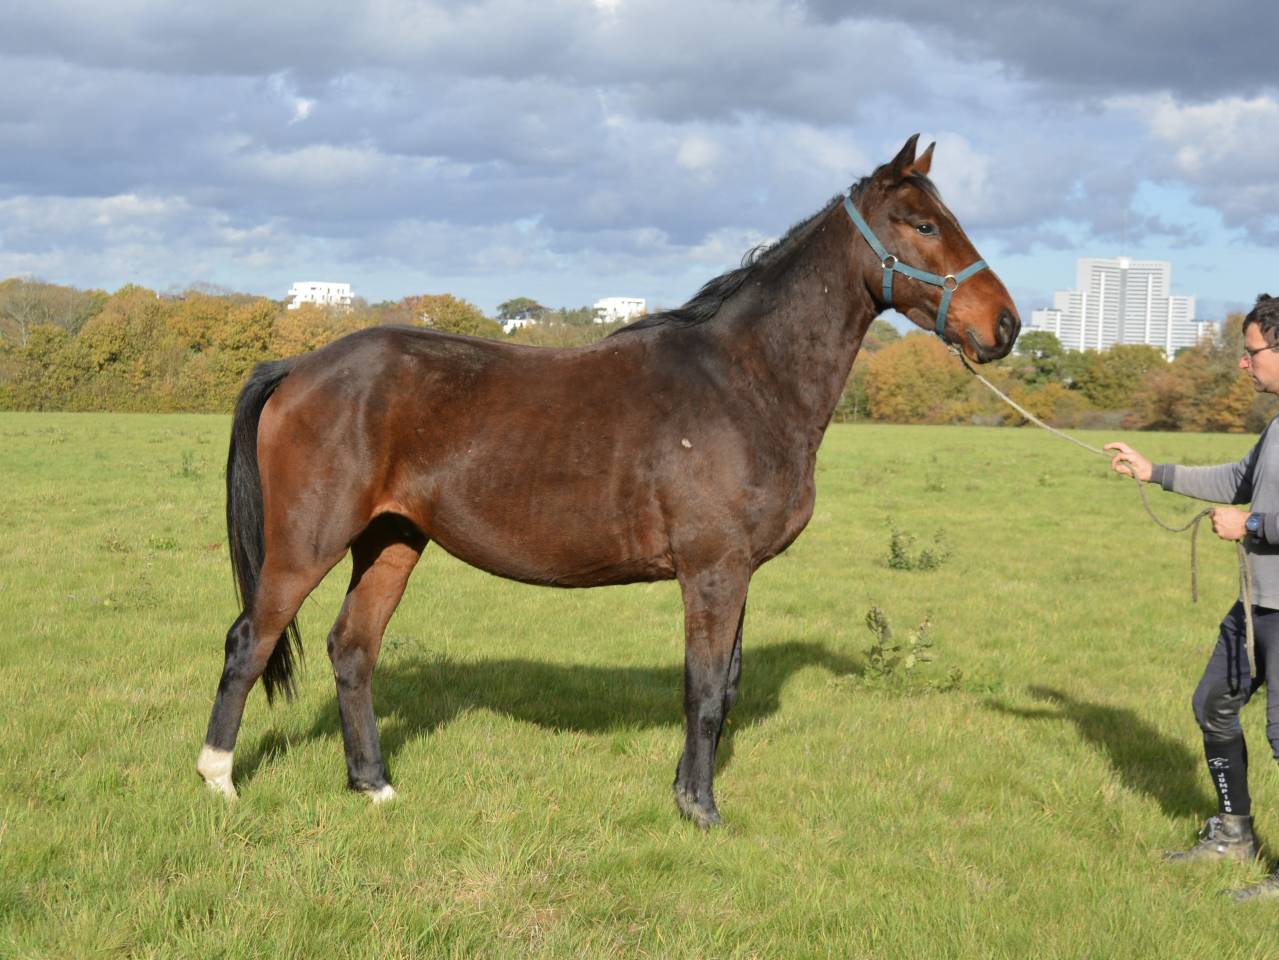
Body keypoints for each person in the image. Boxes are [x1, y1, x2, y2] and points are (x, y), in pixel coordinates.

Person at [1106, 294, 1279, 901]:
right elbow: (1238, 480)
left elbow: (1253, 509)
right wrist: (1155, 471)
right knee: (1213, 704)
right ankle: (1235, 835)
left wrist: (1252, 527)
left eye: (1251, 350)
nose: (1242, 364)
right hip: (1254, 603)